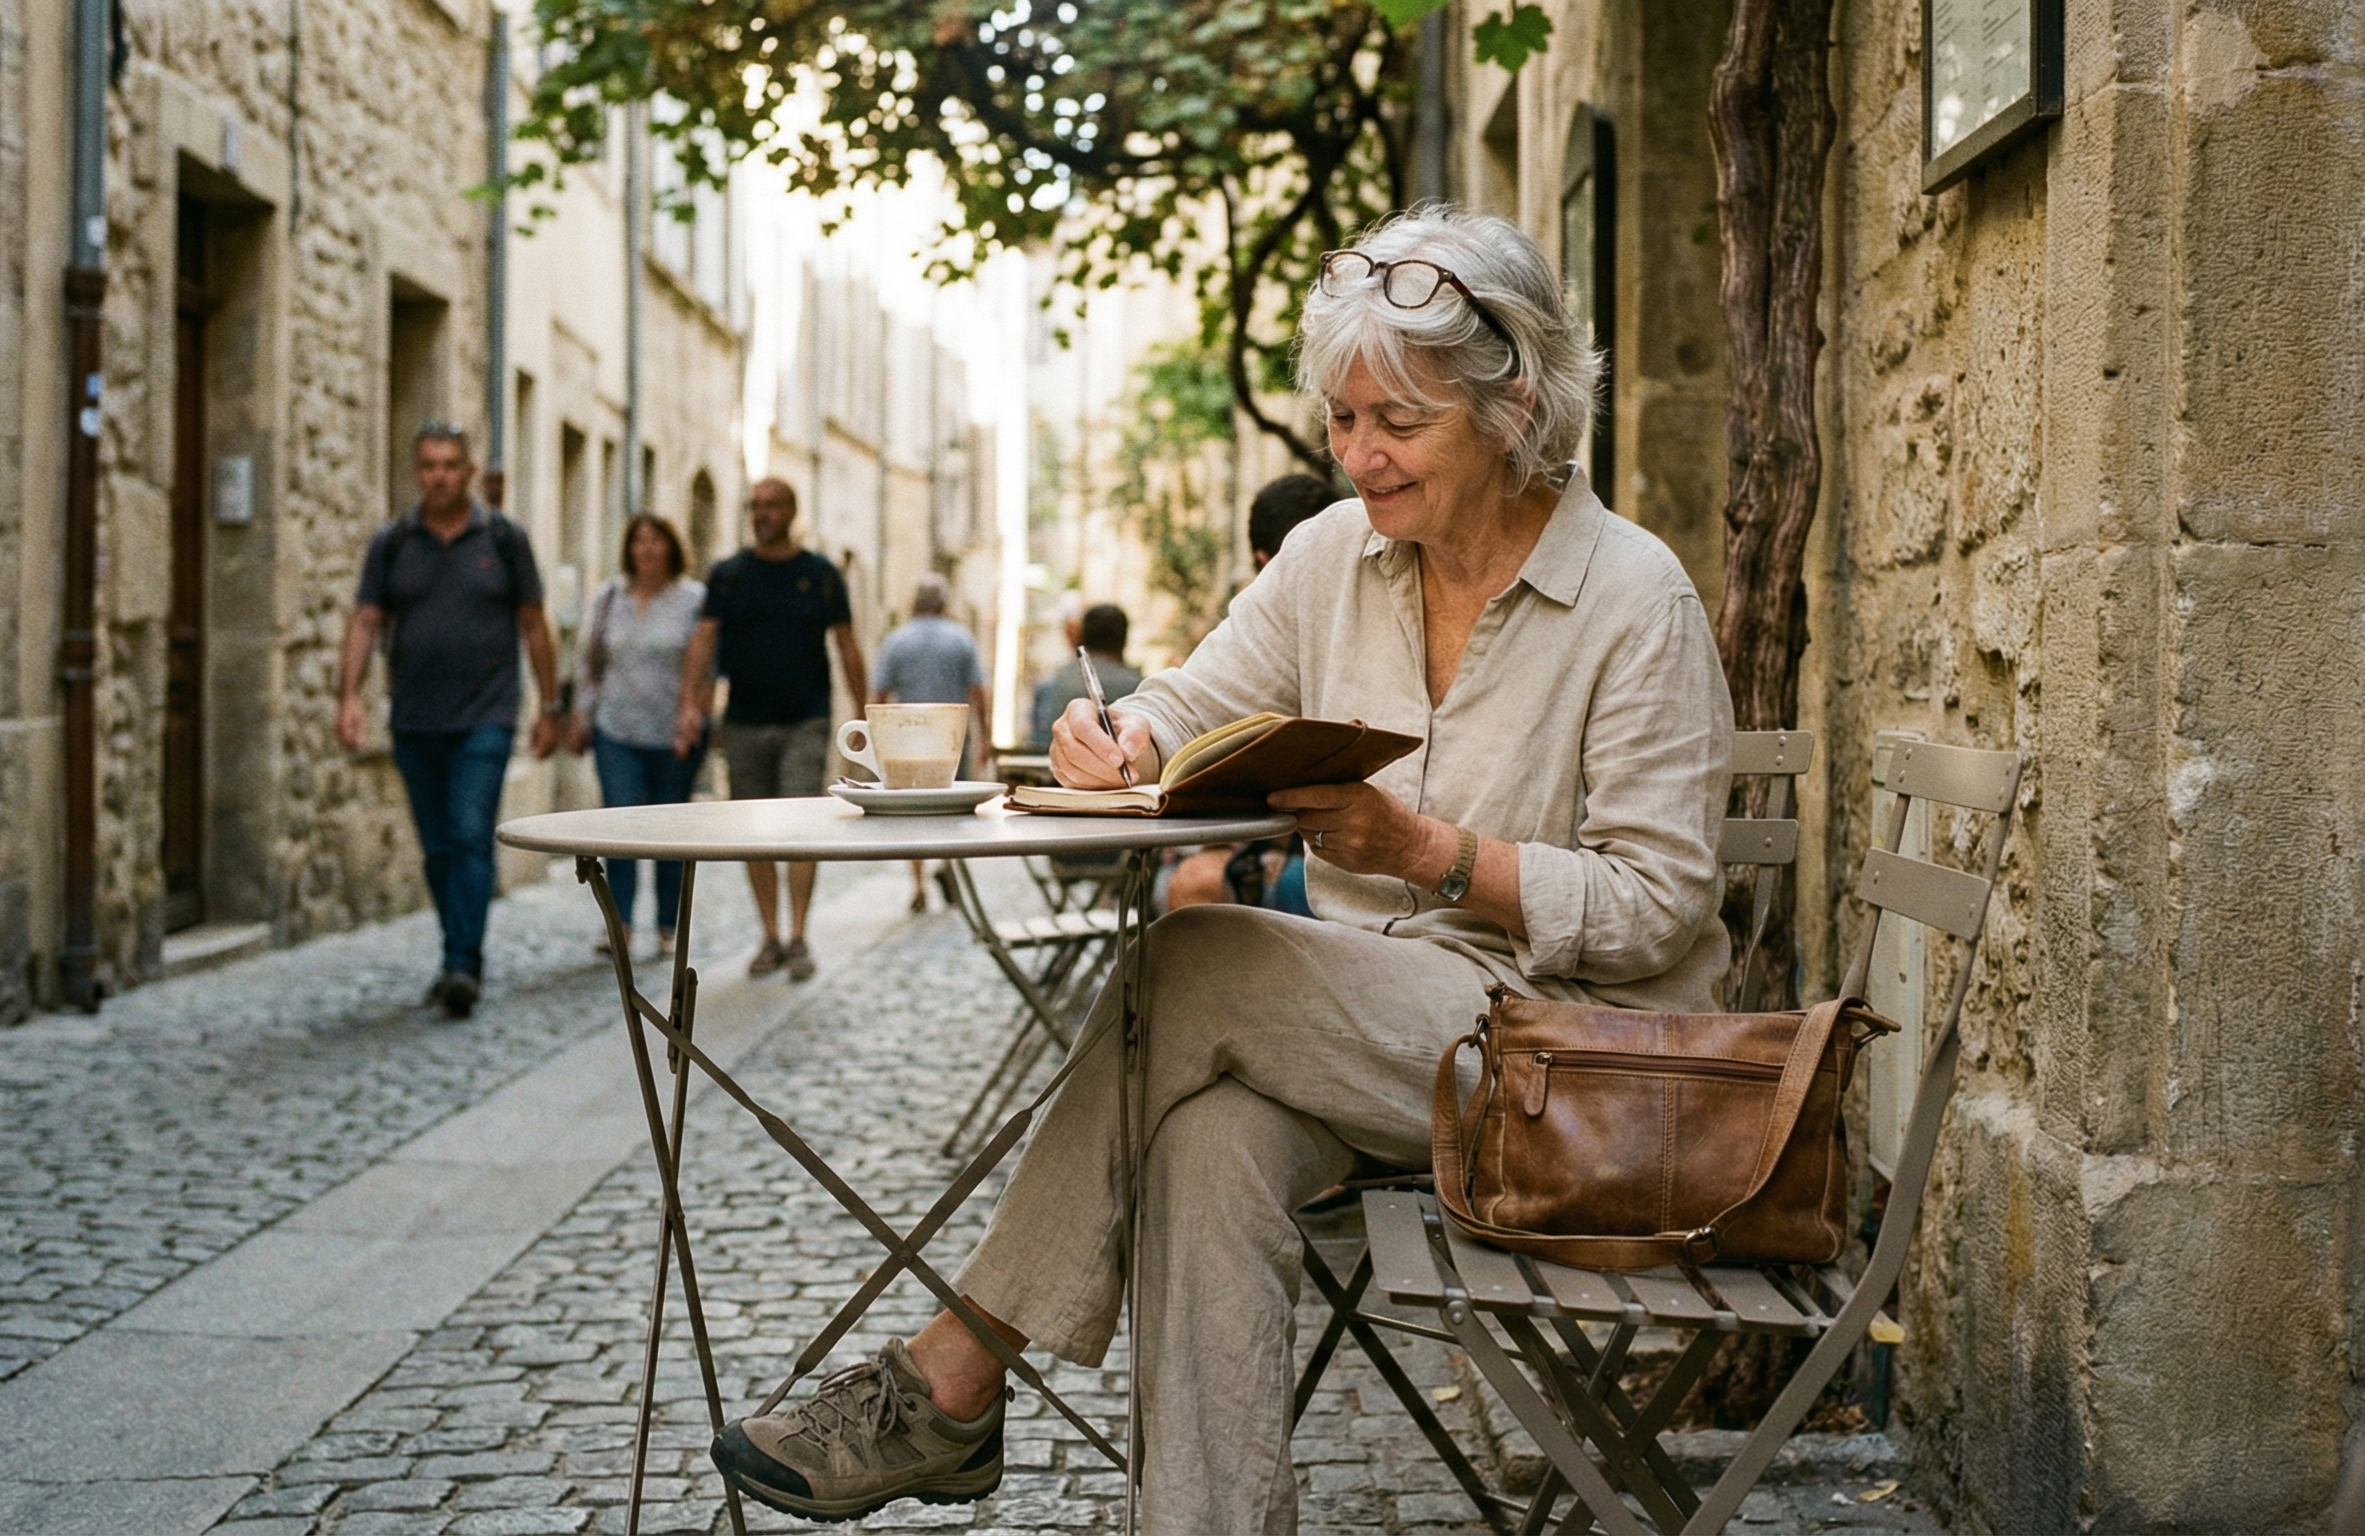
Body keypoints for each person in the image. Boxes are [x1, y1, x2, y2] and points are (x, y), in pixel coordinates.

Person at [710, 208, 1735, 1531]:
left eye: (1396, 425)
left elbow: (1661, 909)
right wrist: (1120, 734)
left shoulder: (1634, 598)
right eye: (1341, 422)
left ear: (1512, 404)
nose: (1358, 456)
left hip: (1576, 1066)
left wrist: (1431, 856)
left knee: (1192, 958)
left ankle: (955, 1372)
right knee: (1202, 1142)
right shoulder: (1334, 558)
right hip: (1374, 1037)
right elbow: (1192, 700)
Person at [336, 423, 559, 1020]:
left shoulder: (504, 539)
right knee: (437, 848)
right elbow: (365, 620)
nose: (439, 475)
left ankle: (465, 962)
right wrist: (348, 699)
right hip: (414, 718)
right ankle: (452, 954)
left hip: (487, 714)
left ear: (468, 472)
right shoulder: (393, 543)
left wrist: (550, 704)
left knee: (467, 832)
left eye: (450, 465)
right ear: (417, 472)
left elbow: (534, 624)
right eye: (428, 464)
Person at [676, 478, 868, 982]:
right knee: (755, 833)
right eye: (755, 506)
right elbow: (703, 639)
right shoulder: (729, 574)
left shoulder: (821, 574)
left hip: (807, 716)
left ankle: (800, 934)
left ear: (792, 511)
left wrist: (867, 714)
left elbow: (847, 645)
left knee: (802, 827)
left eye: (772, 505)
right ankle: (770, 935)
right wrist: (690, 703)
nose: (762, 514)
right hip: (743, 719)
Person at [1161, 474, 1341, 912]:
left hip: (1322, 862)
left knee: (1187, 885)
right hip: (1311, 853)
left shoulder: (1299, 630)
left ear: (1263, 561)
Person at [569, 513, 708, 956]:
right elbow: (590, 660)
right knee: (620, 826)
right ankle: (620, 924)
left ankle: (669, 926)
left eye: (656, 540)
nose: (646, 549)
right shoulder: (611, 596)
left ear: (672, 546)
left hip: (673, 734)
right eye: (638, 541)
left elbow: (707, 666)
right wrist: (580, 714)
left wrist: (696, 714)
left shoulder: (693, 599)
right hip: (617, 730)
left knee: (669, 833)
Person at [871, 575, 993, 911]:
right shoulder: (961, 639)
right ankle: (949, 866)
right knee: (952, 807)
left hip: (908, 738)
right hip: (950, 739)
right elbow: (979, 691)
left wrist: (877, 737)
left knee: (912, 812)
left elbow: (880, 693)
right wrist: (986, 736)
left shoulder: (896, 641)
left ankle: (918, 883)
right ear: (943, 604)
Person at [1025, 604, 1140, 752]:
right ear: (1124, 641)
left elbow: (1038, 743)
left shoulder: (1050, 684)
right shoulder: (1140, 688)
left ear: (1082, 637)